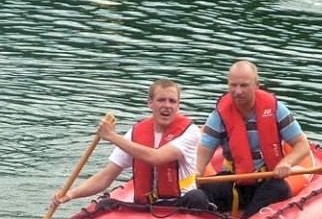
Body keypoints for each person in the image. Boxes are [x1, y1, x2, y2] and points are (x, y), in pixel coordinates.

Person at [52, 79, 211, 209]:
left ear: (178, 106)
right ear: (150, 103)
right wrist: (71, 194)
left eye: (172, 101)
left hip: (180, 201)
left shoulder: (190, 131)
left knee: (197, 197)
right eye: (161, 100)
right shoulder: (135, 133)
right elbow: (107, 176)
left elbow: (156, 157)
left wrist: (112, 136)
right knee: (104, 206)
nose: (167, 105)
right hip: (145, 206)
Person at [195, 60, 311, 219]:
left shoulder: (276, 110)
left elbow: (302, 146)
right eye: (233, 85)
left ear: (256, 85)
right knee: (200, 193)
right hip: (236, 180)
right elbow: (204, 152)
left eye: (244, 85)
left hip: (269, 180)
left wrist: (286, 163)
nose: (237, 91)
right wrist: (196, 172)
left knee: (277, 189)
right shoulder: (219, 116)